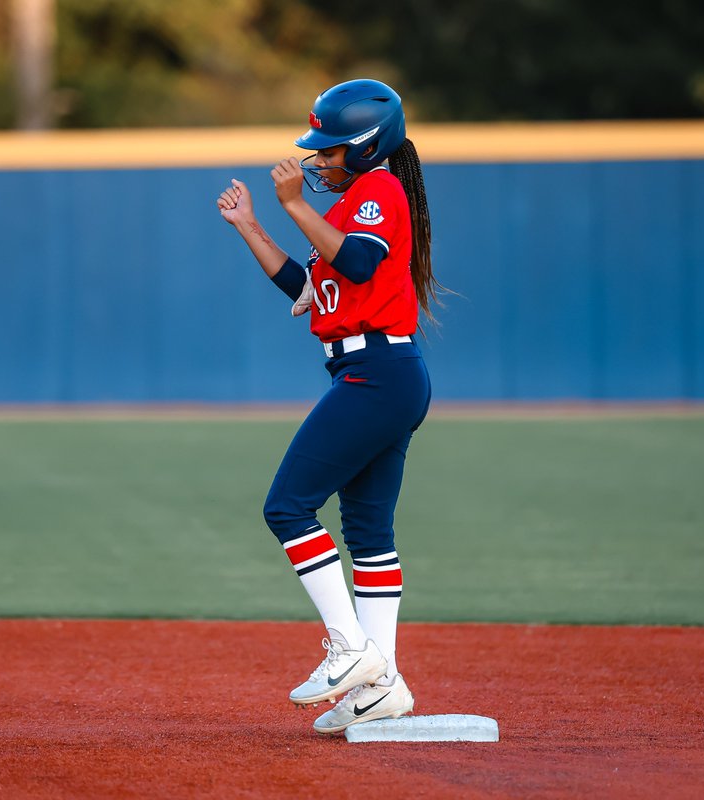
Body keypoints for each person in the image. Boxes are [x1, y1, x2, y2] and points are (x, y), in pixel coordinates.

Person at [216, 78, 443, 734]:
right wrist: (252, 225)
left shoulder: (379, 190)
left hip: (378, 373)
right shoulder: (349, 204)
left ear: (368, 148)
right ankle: (384, 687)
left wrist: (291, 206)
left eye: (332, 149)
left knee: (286, 506)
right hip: (377, 373)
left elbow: (364, 265)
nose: (319, 161)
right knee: (368, 533)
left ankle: (351, 651)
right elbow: (308, 284)